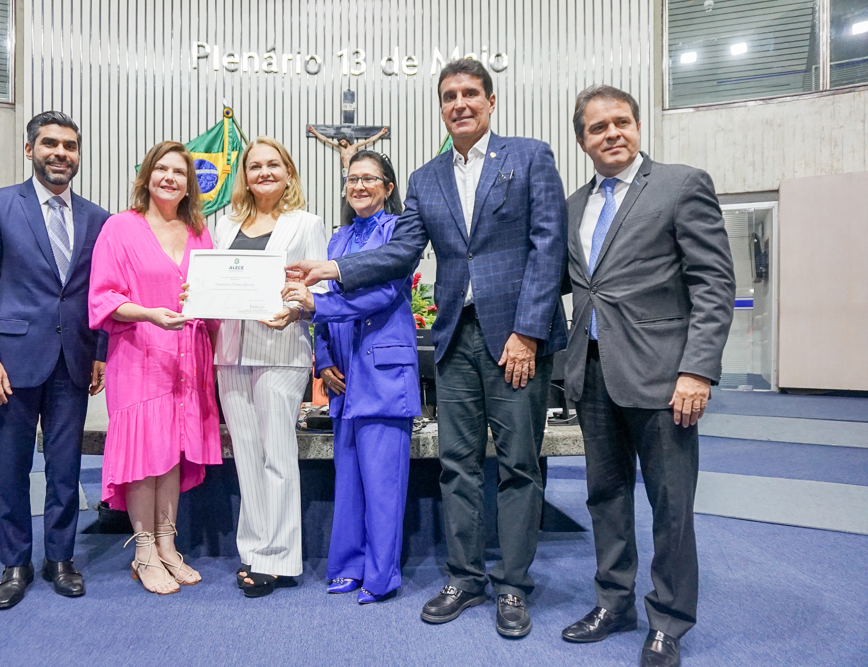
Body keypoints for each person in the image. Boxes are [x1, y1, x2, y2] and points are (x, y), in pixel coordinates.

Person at [287, 59, 568, 638]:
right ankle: (465, 578)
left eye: (470, 94)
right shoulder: (427, 177)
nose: (460, 103)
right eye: (449, 96)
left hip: (515, 338)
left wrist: (529, 332)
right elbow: (400, 253)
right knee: (457, 464)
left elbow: (548, 248)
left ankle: (513, 586)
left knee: (518, 465)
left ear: (491, 101)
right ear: (441, 107)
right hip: (454, 339)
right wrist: (334, 267)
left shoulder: (529, 156)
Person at [560, 85, 735, 667]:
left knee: (670, 504)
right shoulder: (572, 205)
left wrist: (697, 370)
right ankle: (615, 602)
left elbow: (713, 285)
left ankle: (669, 620)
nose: (611, 134)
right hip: (592, 373)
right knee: (605, 497)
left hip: (665, 378)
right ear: (581, 139)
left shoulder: (681, 185)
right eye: (597, 128)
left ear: (637, 126)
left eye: (621, 122)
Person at [0, 111, 109, 610]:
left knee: (65, 469)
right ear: (30, 150)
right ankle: (16, 562)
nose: (60, 153)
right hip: (10, 362)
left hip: (73, 361)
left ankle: (60, 559)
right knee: (12, 468)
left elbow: (99, 294)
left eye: (70, 146)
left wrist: (101, 352)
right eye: (50, 144)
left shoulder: (97, 218)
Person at [282, 150, 418, 604]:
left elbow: (382, 294)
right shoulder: (338, 239)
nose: (359, 186)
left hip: (382, 371)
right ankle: (346, 565)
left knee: (383, 483)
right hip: (343, 376)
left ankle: (381, 576)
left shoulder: (399, 232)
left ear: (388, 187)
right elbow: (317, 300)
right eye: (352, 178)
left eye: (369, 179)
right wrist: (322, 358)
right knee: (350, 480)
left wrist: (317, 305)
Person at [88, 141, 222, 595]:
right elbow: (103, 297)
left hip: (187, 357)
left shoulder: (199, 231)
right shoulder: (120, 227)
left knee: (171, 454)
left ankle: (168, 544)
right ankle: (143, 548)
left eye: (179, 172)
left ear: (190, 184)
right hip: (139, 354)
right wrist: (148, 313)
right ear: (146, 176)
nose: (170, 177)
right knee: (144, 456)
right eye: (161, 169)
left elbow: (212, 293)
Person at [212, 137, 328, 598]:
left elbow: (320, 294)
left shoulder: (307, 223)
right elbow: (214, 283)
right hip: (231, 350)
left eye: (273, 165)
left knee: (277, 456)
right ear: (245, 174)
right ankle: (254, 548)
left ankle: (278, 558)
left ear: (288, 172)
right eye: (255, 165)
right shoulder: (225, 225)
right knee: (246, 457)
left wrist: (302, 309)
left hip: (281, 350)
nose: (263, 172)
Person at [308, 125, 388, 197]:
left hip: (354, 169)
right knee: (348, 183)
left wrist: (381, 133)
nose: (342, 143)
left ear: (346, 140)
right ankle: (347, 193)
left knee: (355, 183)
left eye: (343, 141)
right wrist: (314, 131)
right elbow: (326, 140)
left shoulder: (354, 146)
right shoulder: (340, 148)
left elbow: (369, 140)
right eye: (340, 142)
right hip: (346, 169)